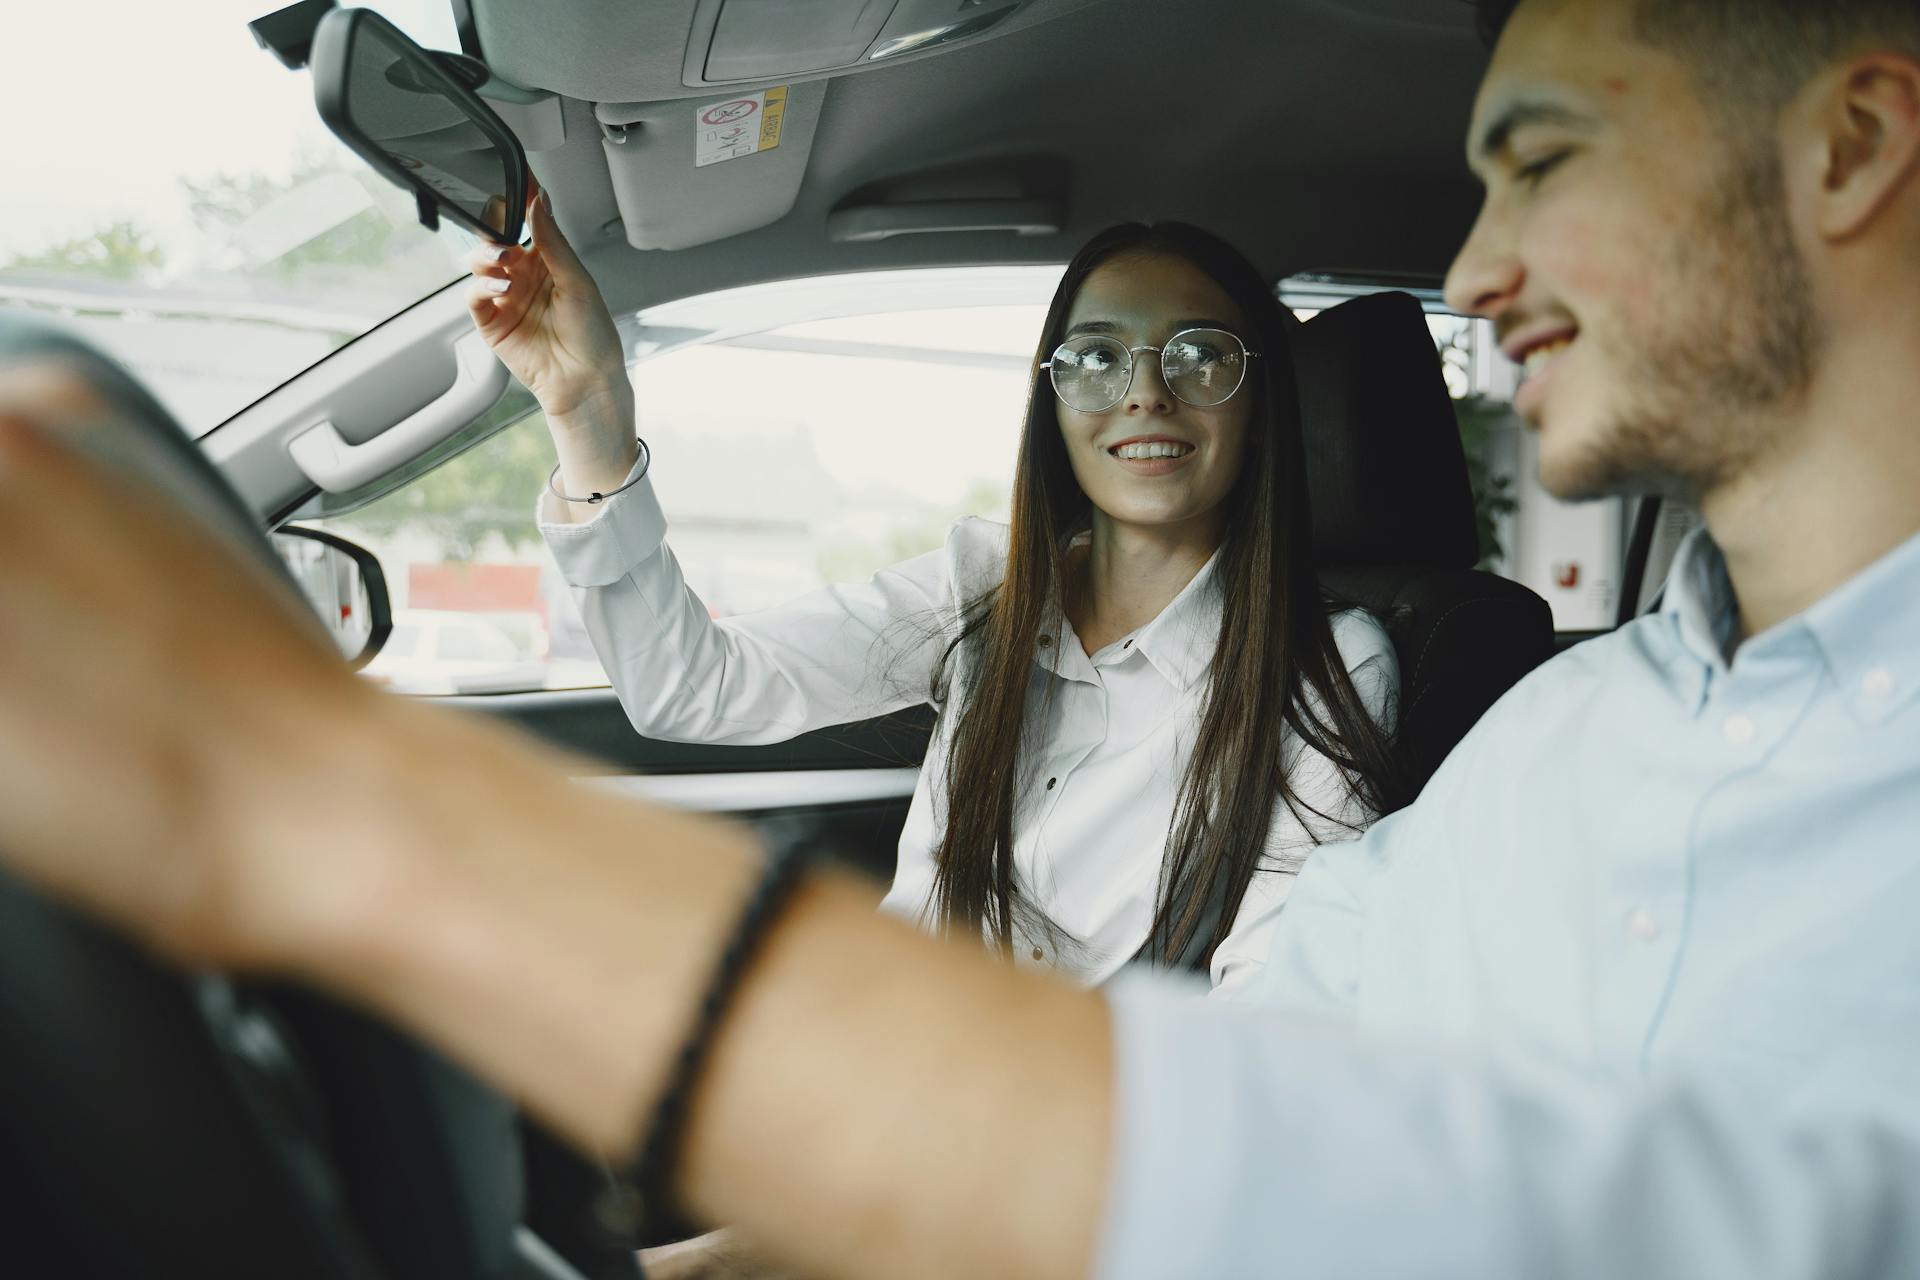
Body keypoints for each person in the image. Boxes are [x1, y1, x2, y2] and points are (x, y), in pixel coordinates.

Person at [2, 0, 1919, 1276]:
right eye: (1090, 356)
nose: (1475, 278)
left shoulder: (1374, 690)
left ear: (1853, 148)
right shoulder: (1568, 746)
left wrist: (326, 808)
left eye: (1545, 159)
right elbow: (1258, 1104)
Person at [466, 213, 1406, 993]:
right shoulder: (986, 582)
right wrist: (588, 411)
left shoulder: (1329, 663)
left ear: (1258, 401)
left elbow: (1274, 999)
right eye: (1095, 359)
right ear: (1054, 400)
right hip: (868, 1042)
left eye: (1200, 356)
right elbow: (693, 689)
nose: (1146, 394)